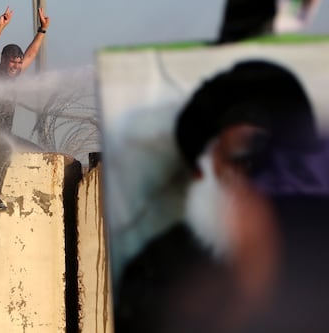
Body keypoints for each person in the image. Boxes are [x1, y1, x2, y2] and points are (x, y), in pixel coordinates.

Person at [114, 60, 329, 333]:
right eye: (242, 160)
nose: (256, 180)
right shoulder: (157, 274)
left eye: (271, 161)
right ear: (204, 168)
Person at [0, 7, 49, 212]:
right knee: (6, 149)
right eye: (12, 61)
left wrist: (42, 30)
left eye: (18, 62)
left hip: (5, 134)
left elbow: (31, 54)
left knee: (40, 153)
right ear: (3, 59)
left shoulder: (14, 77)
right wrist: (1, 26)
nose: (16, 66)